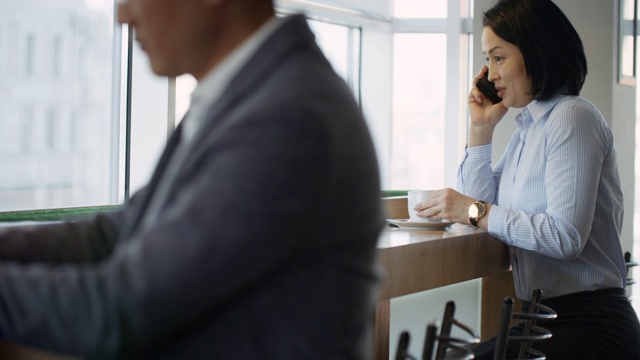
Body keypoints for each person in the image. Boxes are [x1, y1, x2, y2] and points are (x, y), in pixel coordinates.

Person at [0, 0, 383, 358]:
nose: (123, 15)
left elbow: (123, 308)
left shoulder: (290, 116)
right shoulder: (244, 97)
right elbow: (120, 231)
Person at [413, 0, 640, 358]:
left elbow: (565, 237)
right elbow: (481, 210)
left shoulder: (572, 117)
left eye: (499, 58)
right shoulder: (528, 130)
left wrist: (473, 210)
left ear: (537, 52)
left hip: (591, 327)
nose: (490, 74)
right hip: (543, 318)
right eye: (487, 60)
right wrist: (480, 129)